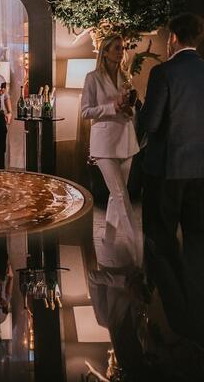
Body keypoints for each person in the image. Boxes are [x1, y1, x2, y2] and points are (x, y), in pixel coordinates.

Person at [139, 13, 204, 345]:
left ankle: (174, 313)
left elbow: (151, 123)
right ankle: (201, 304)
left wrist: (139, 112)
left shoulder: (163, 72)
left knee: (160, 237)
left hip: (166, 168)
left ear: (173, 37)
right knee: (197, 235)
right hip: (202, 166)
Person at [81, 34, 141, 265]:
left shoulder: (126, 77)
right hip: (105, 144)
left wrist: (128, 110)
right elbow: (85, 111)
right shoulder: (92, 77)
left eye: (122, 48)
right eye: (116, 48)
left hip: (126, 140)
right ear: (105, 51)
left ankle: (108, 241)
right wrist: (111, 106)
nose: (121, 51)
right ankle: (137, 245)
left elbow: (130, 112)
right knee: (120, 194)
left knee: (117, 195)